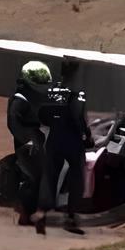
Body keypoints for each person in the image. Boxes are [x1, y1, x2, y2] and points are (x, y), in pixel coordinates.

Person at [36, 61, 94, 236]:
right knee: (77, 178)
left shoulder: (53, 90)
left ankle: (41, 216)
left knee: (50, 178)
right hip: (72, 140)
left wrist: (55, 124)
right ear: (76, 72)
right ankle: (70, 219)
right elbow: (78, 117)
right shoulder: (77, 92)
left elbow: (42, 114)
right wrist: (86, 135)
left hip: (54, 138)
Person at [7, 61, 51, 227]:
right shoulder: (20, 100)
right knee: (35, 178)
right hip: (26, 146)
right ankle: (26, 215)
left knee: (42, 177)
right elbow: (13, 123)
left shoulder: (33, 98)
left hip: (38, 142)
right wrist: (28, 140)